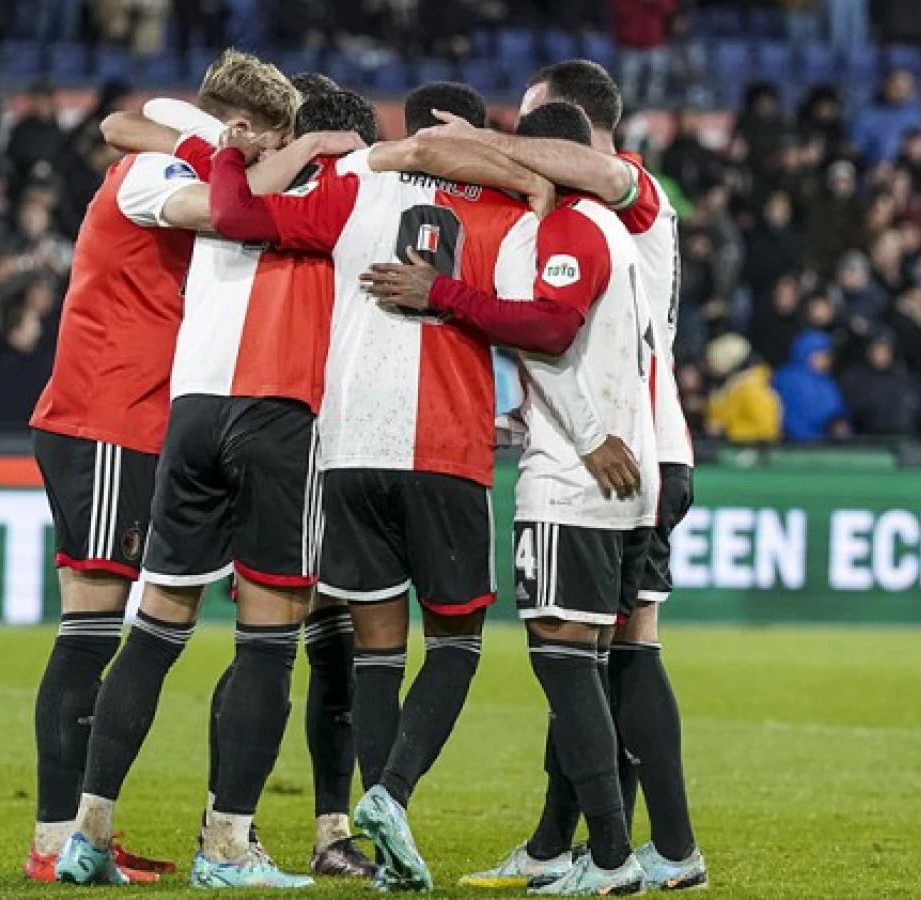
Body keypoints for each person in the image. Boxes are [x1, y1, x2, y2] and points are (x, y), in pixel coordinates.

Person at [205, 81, 562, 891]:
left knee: (375, 651)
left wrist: (230, 148)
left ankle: (376, 844)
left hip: (349, 446)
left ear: (411, 124)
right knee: (458, 644)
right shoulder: (507, 208)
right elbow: (531, 320)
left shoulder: (354, 181)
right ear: (467, 127)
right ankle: (389, 797)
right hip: (443, 441)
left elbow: (240, 217)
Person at [28, 49, 312, 888]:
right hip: (107, 414)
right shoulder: (154, 176)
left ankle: (75, 835)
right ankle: (55, 840)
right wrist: (262, 160)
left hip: (131, 419)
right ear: (240, 130)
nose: (266, 159)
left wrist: (231, 143)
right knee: (89, 634)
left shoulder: (175, 145)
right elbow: (223, 208)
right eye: (267, 142)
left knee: (104, 631)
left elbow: (141, 115)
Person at [438, 59, 708, 893]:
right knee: (595, 651)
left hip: (634, 446)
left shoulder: (631, 192)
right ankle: (565, 844)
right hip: (643, 441)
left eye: (533, 125)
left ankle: (659, 849)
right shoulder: (587, 211)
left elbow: (577, 174)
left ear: (577, 126)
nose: (523, 144)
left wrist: (478, 143)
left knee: (611, 652)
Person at [773, 330, 849, 442]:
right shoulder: (786, 378)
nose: (826, 360)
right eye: (821, 354)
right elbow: (786, 415)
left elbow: (837, 410)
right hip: (794, 445)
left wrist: (839, 424)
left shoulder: (827, 382)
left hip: (826, 445)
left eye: (827, 356)